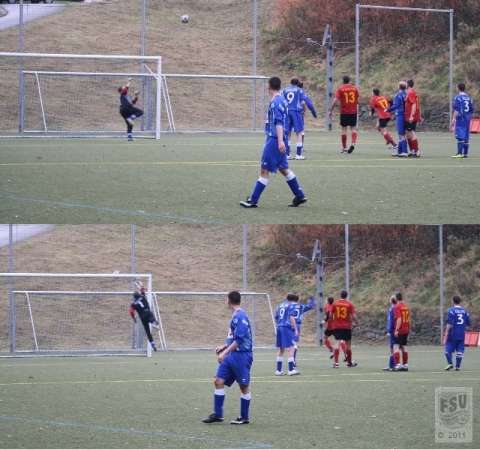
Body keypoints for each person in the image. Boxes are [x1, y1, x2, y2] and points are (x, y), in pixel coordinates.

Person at [240, 76, 307, 208]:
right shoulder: (282, 99)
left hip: (274, 140)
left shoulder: (276, 102)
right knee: (283, 169)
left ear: (269, 86)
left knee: (264, 170)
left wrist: (280, 141)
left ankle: (253, 200)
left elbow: (279, 122)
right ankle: (299, 195)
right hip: (281, 139)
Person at [202, 291, 253, 425]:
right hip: (232, 354)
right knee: (218, 381)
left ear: (229, 300)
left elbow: (240, 340)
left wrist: (224, 353)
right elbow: (234, 338)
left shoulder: (241, 316)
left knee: (243, 386)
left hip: (242, 355)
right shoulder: (235, 315)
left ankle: (244, 417)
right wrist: (224, 346)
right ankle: (218, 414)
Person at [329, 76, 360, 154]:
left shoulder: (340, 89)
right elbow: (357, 99)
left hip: (344, 112)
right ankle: (353, 143)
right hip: (353, 111)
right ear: (349, 81)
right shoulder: (355, 88)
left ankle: (344, 148)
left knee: (344, 130)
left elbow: (335, 100)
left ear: (343, 81)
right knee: (353, 128)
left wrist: (331, 110)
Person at [274, 293, 299, 376]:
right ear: (293, 300)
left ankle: (278, 370)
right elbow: (291, 317)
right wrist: (295, 328)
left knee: (281, 349)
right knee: (291, 347)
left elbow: (276, 317)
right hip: (286, 328)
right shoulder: (292, 306)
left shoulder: (280, 305)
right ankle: (291, 370)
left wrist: (279, 324)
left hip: (279, 327)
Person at [331, 290, 357, 368]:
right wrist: (356, 322)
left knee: (336, 344)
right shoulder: (350, 304)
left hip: (337, 327)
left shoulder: (335, 304)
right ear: (346, 296)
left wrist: (333, 322)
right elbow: (353, 316)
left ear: (340, 295)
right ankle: (349, 363)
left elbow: (330, 315)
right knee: (348, 345)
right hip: (347, 327)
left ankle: (336, 363)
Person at [283, 78, 307, 160]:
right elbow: (303, 102)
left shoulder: (285, 90)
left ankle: (287, 155)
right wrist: (304, 110)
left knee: (287, 133)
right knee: (299, 133)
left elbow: (282, 101)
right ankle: (298, 155)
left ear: (290, 83)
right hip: (296, 112)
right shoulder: (299, 90)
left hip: (287, 112)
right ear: (297, 83)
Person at [444, 295, 470, 371]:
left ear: (453, 301)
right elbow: (468, 324)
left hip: (452, 333)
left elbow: (450, 324)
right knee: (460, 350)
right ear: (460, 301)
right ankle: (458, 366)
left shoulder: (451, 310)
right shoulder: (465, 311)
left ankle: (450, 363)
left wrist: (446, 333)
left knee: (447, 350)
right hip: (461, 334)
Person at [129, 286, 159, 352]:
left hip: (142, 317)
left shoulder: (133, 304)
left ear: (134, 297)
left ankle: (152, 344)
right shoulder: (142, 296)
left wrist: (134, 318)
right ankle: (153, 323)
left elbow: (131, 312)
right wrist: (141, 286)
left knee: (147, 331)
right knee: (152, 318)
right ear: (139, 294)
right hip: (147, 312)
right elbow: (142, 290)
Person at [290, 294, 316, 367]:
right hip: (297, 326)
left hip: (288, 325)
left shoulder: (288, 306)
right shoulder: (301, 306)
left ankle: (291, 360)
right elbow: (311, 306)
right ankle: (293, 361)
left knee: (291, 344)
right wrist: (312, 299)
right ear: (298, 300)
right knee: (294, 344)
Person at [369, 88, 397, 153]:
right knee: (378, 127)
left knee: (383, 130)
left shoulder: (373, 99)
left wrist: (372, 114)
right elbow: (391, 101)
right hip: (387, 115)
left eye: (372, 92)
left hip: (383, 116)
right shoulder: (383, 97)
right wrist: (391, 109)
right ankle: (388, 138)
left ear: (373, 93)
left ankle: (394, 144)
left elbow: (372, 108)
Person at [451, 83, 474, 159]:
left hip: (461, 118)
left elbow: (456, 110)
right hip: (467, 119)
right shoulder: (469, 98)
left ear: (458, 88)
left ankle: (459, 153)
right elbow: (471, 109)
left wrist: (453, 119)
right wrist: (468, 116)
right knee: (466, 136)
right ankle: (465, 153)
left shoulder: (458, 97)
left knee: (460, 136)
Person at [297, 81, 318, 158]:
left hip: (288, 113)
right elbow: (308, 104)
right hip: (298, 114)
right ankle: (300, 148)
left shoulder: (288, 91)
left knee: (287, 131)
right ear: (302, 87)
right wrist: (314, 113)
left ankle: (286, 149)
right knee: (301, 131)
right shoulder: (302, 93)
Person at [388, 81, 408, 157]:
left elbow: (396, 105)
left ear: (399, 87)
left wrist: (388, 109)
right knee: (401, 133)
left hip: (400, 115)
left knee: (401, 133)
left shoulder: (398, 95)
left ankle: (404, 151)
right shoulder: (406, 94)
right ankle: (399, 151)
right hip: (405, 115)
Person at [392, 292, 410, 371]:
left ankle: (398, 364)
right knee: (404, 346)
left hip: (400, 329)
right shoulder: (405, 306)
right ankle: (405, 365)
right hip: (406, 329)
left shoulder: (397, 307)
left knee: (395, 346)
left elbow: (399, 319)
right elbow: (408, 319)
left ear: (396, 298)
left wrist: (396, 330)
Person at [405, 80, 422, 157]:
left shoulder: (410, 92)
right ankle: (412, 151)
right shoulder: (411, 92)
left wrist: (412, 115)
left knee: (411, 132)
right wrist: (419, 115)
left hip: (410, 116)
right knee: (408, 133)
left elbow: (414, 104)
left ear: (408, 85)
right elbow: (418, 105)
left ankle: (417, 151)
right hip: (409, 116)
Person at [383, 295, 397, 371]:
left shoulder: (392, 309)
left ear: (391, 301)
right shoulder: (395, 308)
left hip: (393, 331)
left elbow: (391, 321)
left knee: (393, 348)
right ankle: (392, 365)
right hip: (395, 330)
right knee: (394, 348)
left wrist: (389, 330)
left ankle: (393, 365)